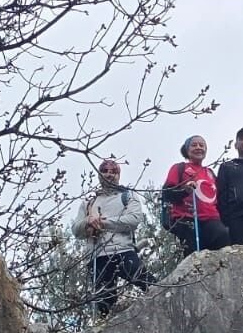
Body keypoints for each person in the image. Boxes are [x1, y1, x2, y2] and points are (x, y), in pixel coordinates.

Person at [72, 159, 155, 317]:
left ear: (118, 175)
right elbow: (76, 231)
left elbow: (134, 219)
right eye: (105, 171)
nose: (109, 174)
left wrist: (103, 223)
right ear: (99, 175)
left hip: (123, 250)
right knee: (104, 303)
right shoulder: (88, 202)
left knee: (148, 283)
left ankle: (163, 310)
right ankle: (104, 331)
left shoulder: (128, 195)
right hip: (97, 255)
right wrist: (87, 222)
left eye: (113, 171)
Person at [161, 135, 230, 254]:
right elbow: (168, 192)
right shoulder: (179, 168)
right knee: (192, 254)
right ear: (187, 150)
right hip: (187, 218)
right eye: (194, 145)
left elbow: (218, 198)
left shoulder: (210, 173)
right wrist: (184, 191)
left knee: (222, 238)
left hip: (212, 218)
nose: (198, 147)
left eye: (202, 145)